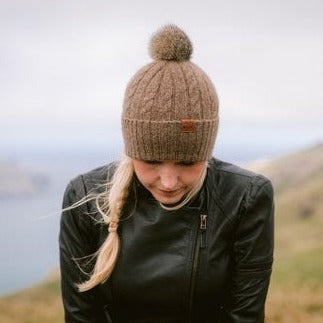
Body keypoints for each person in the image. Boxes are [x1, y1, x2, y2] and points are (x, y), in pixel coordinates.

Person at [59, 24, 274, 323]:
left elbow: (245, 317)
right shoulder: (85, 198)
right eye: (150, 161)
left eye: (187, 162)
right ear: (131, 149)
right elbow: (82, 316)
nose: (169, 182)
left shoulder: (246, 198)